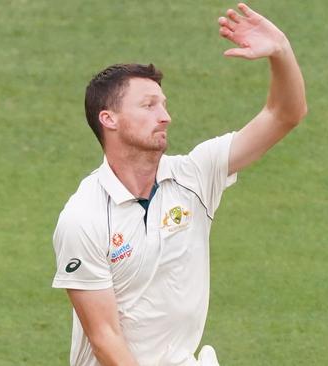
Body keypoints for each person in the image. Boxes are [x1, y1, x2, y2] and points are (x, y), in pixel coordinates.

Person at [51, 3, 307, 366]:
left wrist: (280, 50)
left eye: (164, 104)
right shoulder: (84, 217)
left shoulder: (194, 177)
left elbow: (285, 114)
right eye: (149, 105)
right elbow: (105, 338)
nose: (165, 116)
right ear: (109, 119)